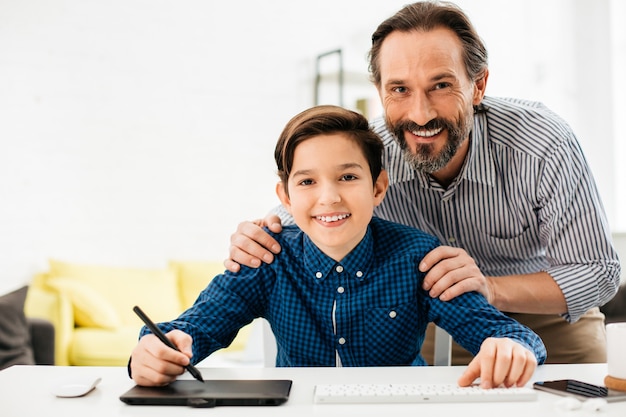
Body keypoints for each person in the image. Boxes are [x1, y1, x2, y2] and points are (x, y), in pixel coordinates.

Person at [225, 1, 621, 365]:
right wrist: (257, 237)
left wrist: (489, 288)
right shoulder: (369, 157)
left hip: (550, 322)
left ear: (478, 85)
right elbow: (309, 208)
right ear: (380, 92)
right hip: (438, 323)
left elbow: (598, 271)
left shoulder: (541, 143)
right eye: (399, 89)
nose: (420, 113)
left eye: (441, 85)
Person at [129, 105, 546, 388]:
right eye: (308, 181)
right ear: (286, 197)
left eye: (347, 177)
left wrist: (510, 347)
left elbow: (508, 334)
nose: (328, 198)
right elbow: (192, 329)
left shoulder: (417, 256)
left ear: (378, 187)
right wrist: (151, 353)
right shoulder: (268, 259)